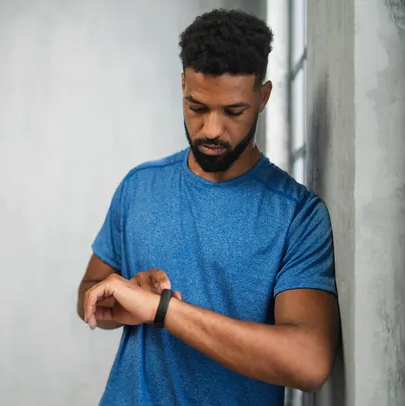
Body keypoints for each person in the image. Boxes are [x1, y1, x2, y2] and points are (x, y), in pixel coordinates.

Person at [76, 8, 340, 406]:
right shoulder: (138, 187)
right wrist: (121, 302)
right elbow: (89, 293)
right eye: (197, 107)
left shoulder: (297, 215)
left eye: (233, 112)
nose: (212, 130)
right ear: (183, 84)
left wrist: (162, 310)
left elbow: (309, 362)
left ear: (262, 96)